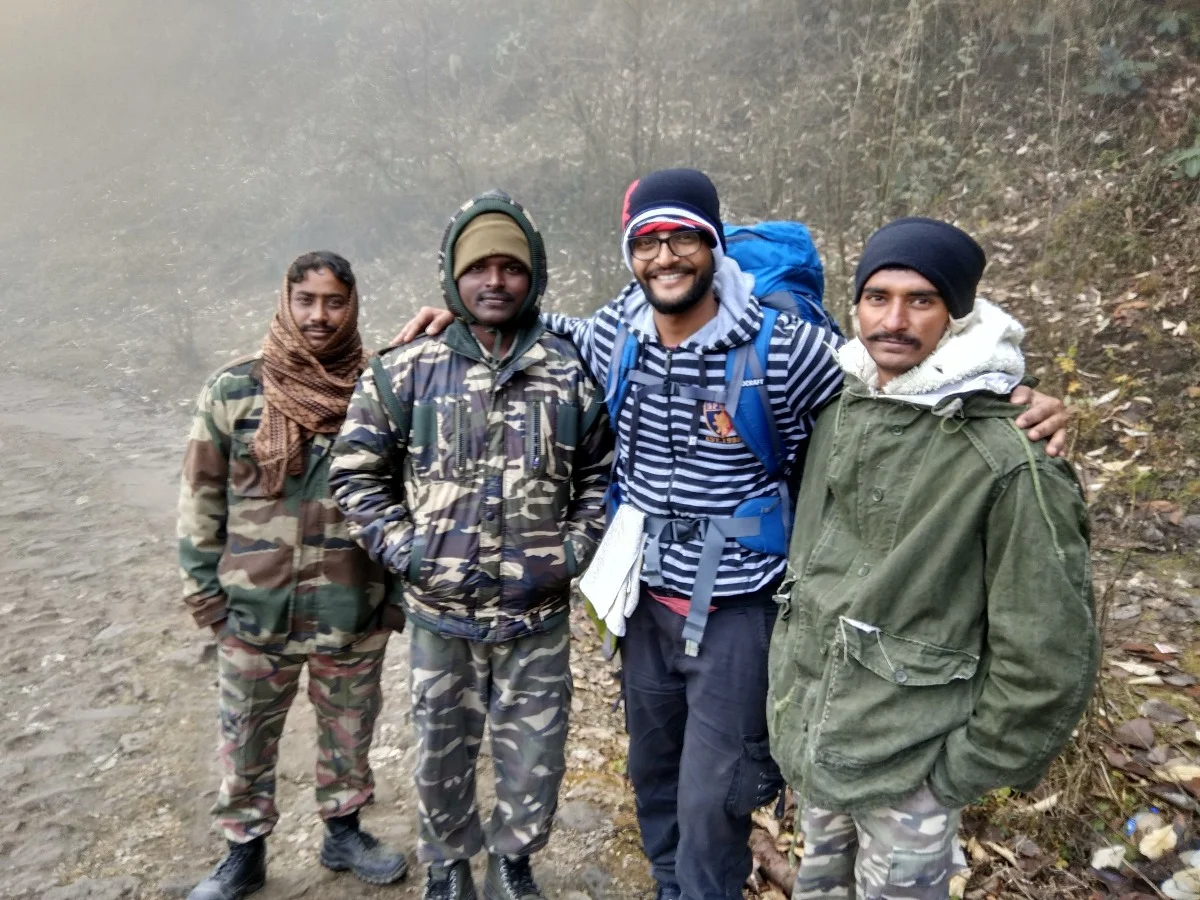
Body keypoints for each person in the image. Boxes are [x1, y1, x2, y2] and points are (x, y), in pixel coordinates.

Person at [392, 170, 1070, 900]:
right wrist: (460, 319)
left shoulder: (784, 349)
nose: (665, 256)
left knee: (714, 798)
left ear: (714, 246)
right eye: (647, 241)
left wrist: (1011, 392)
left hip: (739, 611)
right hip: (644, 605)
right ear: (630, 255)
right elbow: (536, 325)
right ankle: (669, 885)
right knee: (652, 774)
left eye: (683, 237)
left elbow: (895, 382)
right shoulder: (615, 335)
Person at [768, 218, 1099, 899]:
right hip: (823, 742)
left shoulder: (1010, 458)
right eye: (877, 297)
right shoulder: (845, 406)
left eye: (920, 300)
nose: (893, 320)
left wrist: (958, 772)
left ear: (958, 313)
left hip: (913, 769)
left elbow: (1047, 652)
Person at [329, 191, 613, 900]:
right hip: (441, 617)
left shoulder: (567, 371)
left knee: (535, 756)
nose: (495, 281)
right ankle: (448, 865)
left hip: (535, 618)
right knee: (439, 752)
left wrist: (570, 553)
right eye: (478, 267)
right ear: (453, 276)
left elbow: (601, 477)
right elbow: (355, 473)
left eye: (511, 268)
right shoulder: (406, 370)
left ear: (533, 276)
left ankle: (513, 863)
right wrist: (410, 552)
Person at [178, 251, 408, 900]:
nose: (319, 315)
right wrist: (207, 598)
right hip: (254, 611)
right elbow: (200, 499)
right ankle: (243, 853)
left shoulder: (379, 391)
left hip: (352, 607)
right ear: (286, 301)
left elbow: (404, 499)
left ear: (351, 307)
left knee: (350, 733)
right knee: (246, 738)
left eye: (334, 302)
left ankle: (344, 832)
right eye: (306, 300)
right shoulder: (235, 391)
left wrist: (392, 600)